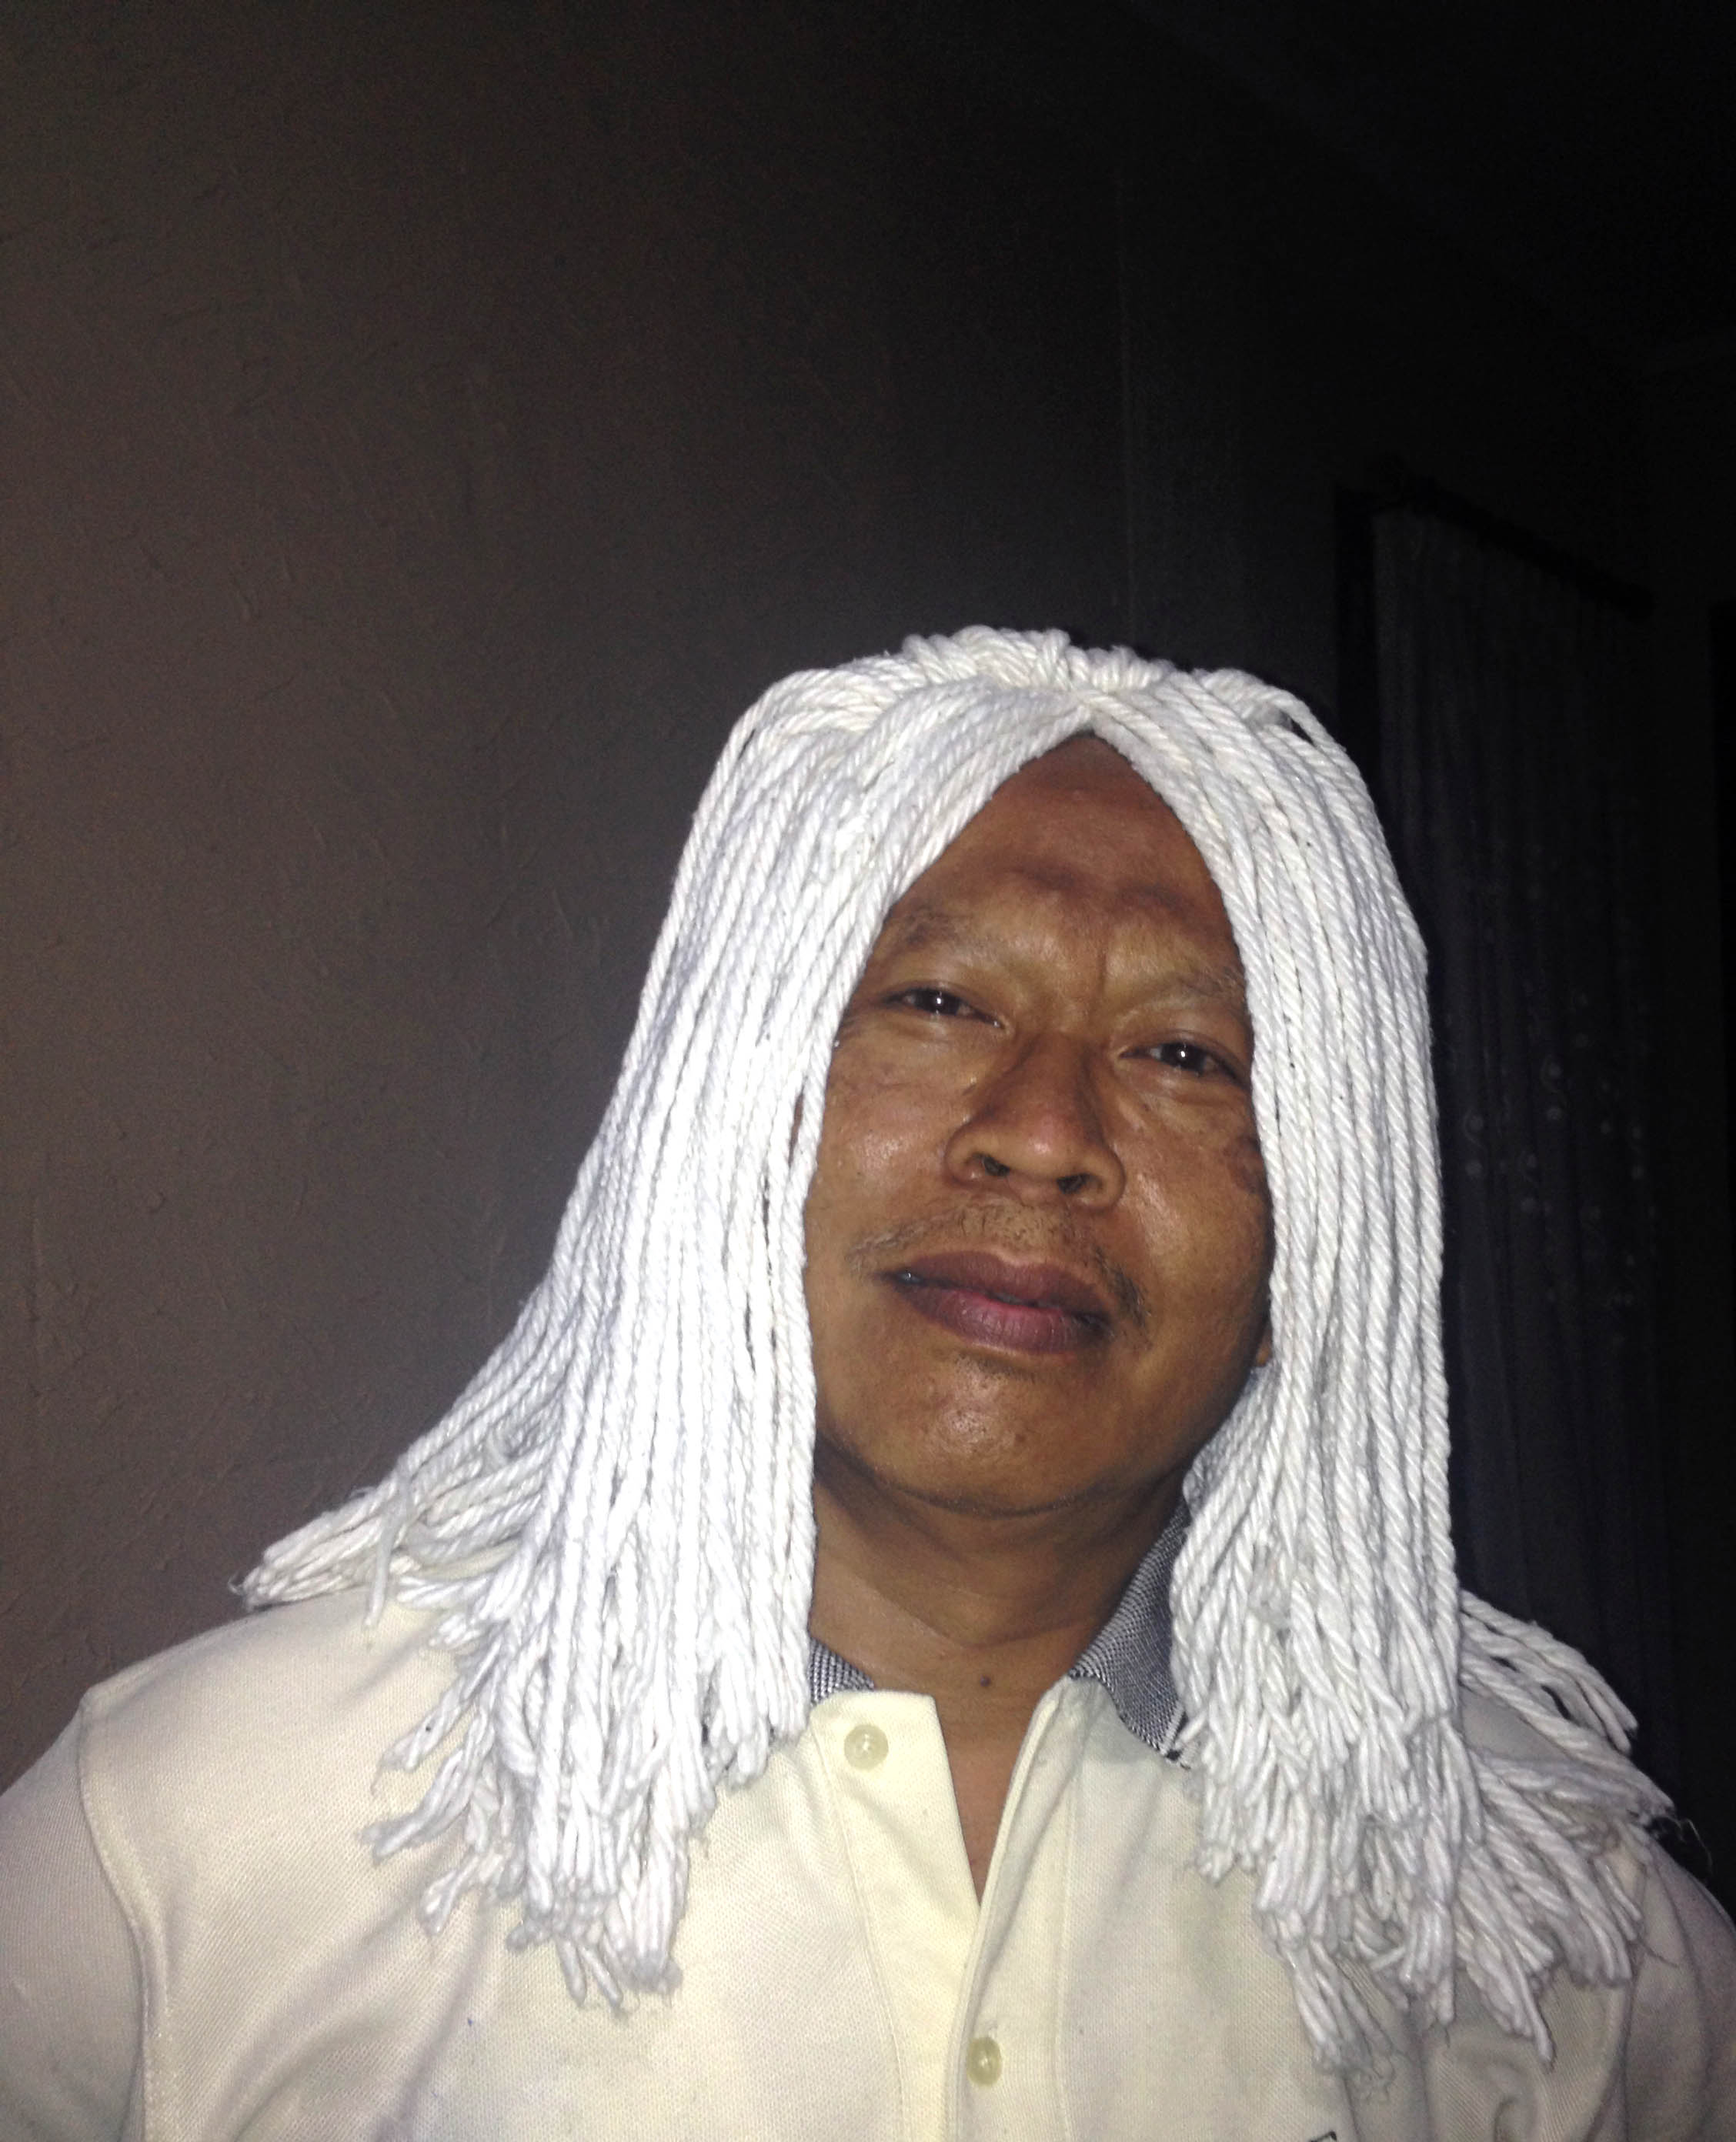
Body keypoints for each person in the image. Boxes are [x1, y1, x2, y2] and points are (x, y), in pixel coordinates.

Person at [2, 628, 1731, 2140]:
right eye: (941, 1000)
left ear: (1321, 1243)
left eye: (1184, 1053)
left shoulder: (1571, 1958)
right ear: (721, 1123)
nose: (1044, 1134)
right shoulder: (194, 1840)